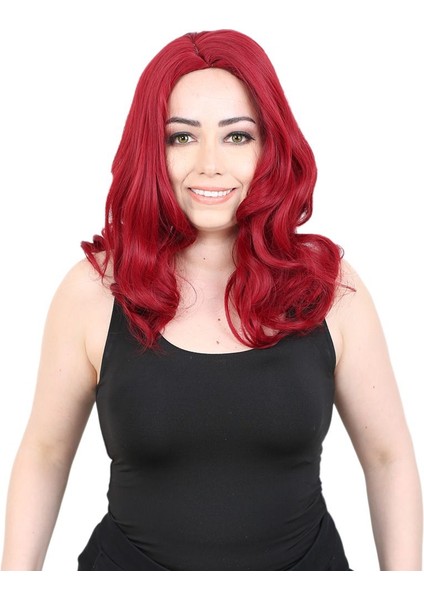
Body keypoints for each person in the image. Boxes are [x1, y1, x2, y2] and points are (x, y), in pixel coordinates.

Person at [1, 29, 422, 571]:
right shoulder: (92, 289)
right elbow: (45, 453)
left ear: (270, 147)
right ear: (151, 150)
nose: (209, 164)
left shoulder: (331, 287)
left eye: (237, 136)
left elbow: (389, 458)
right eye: (181, 137)